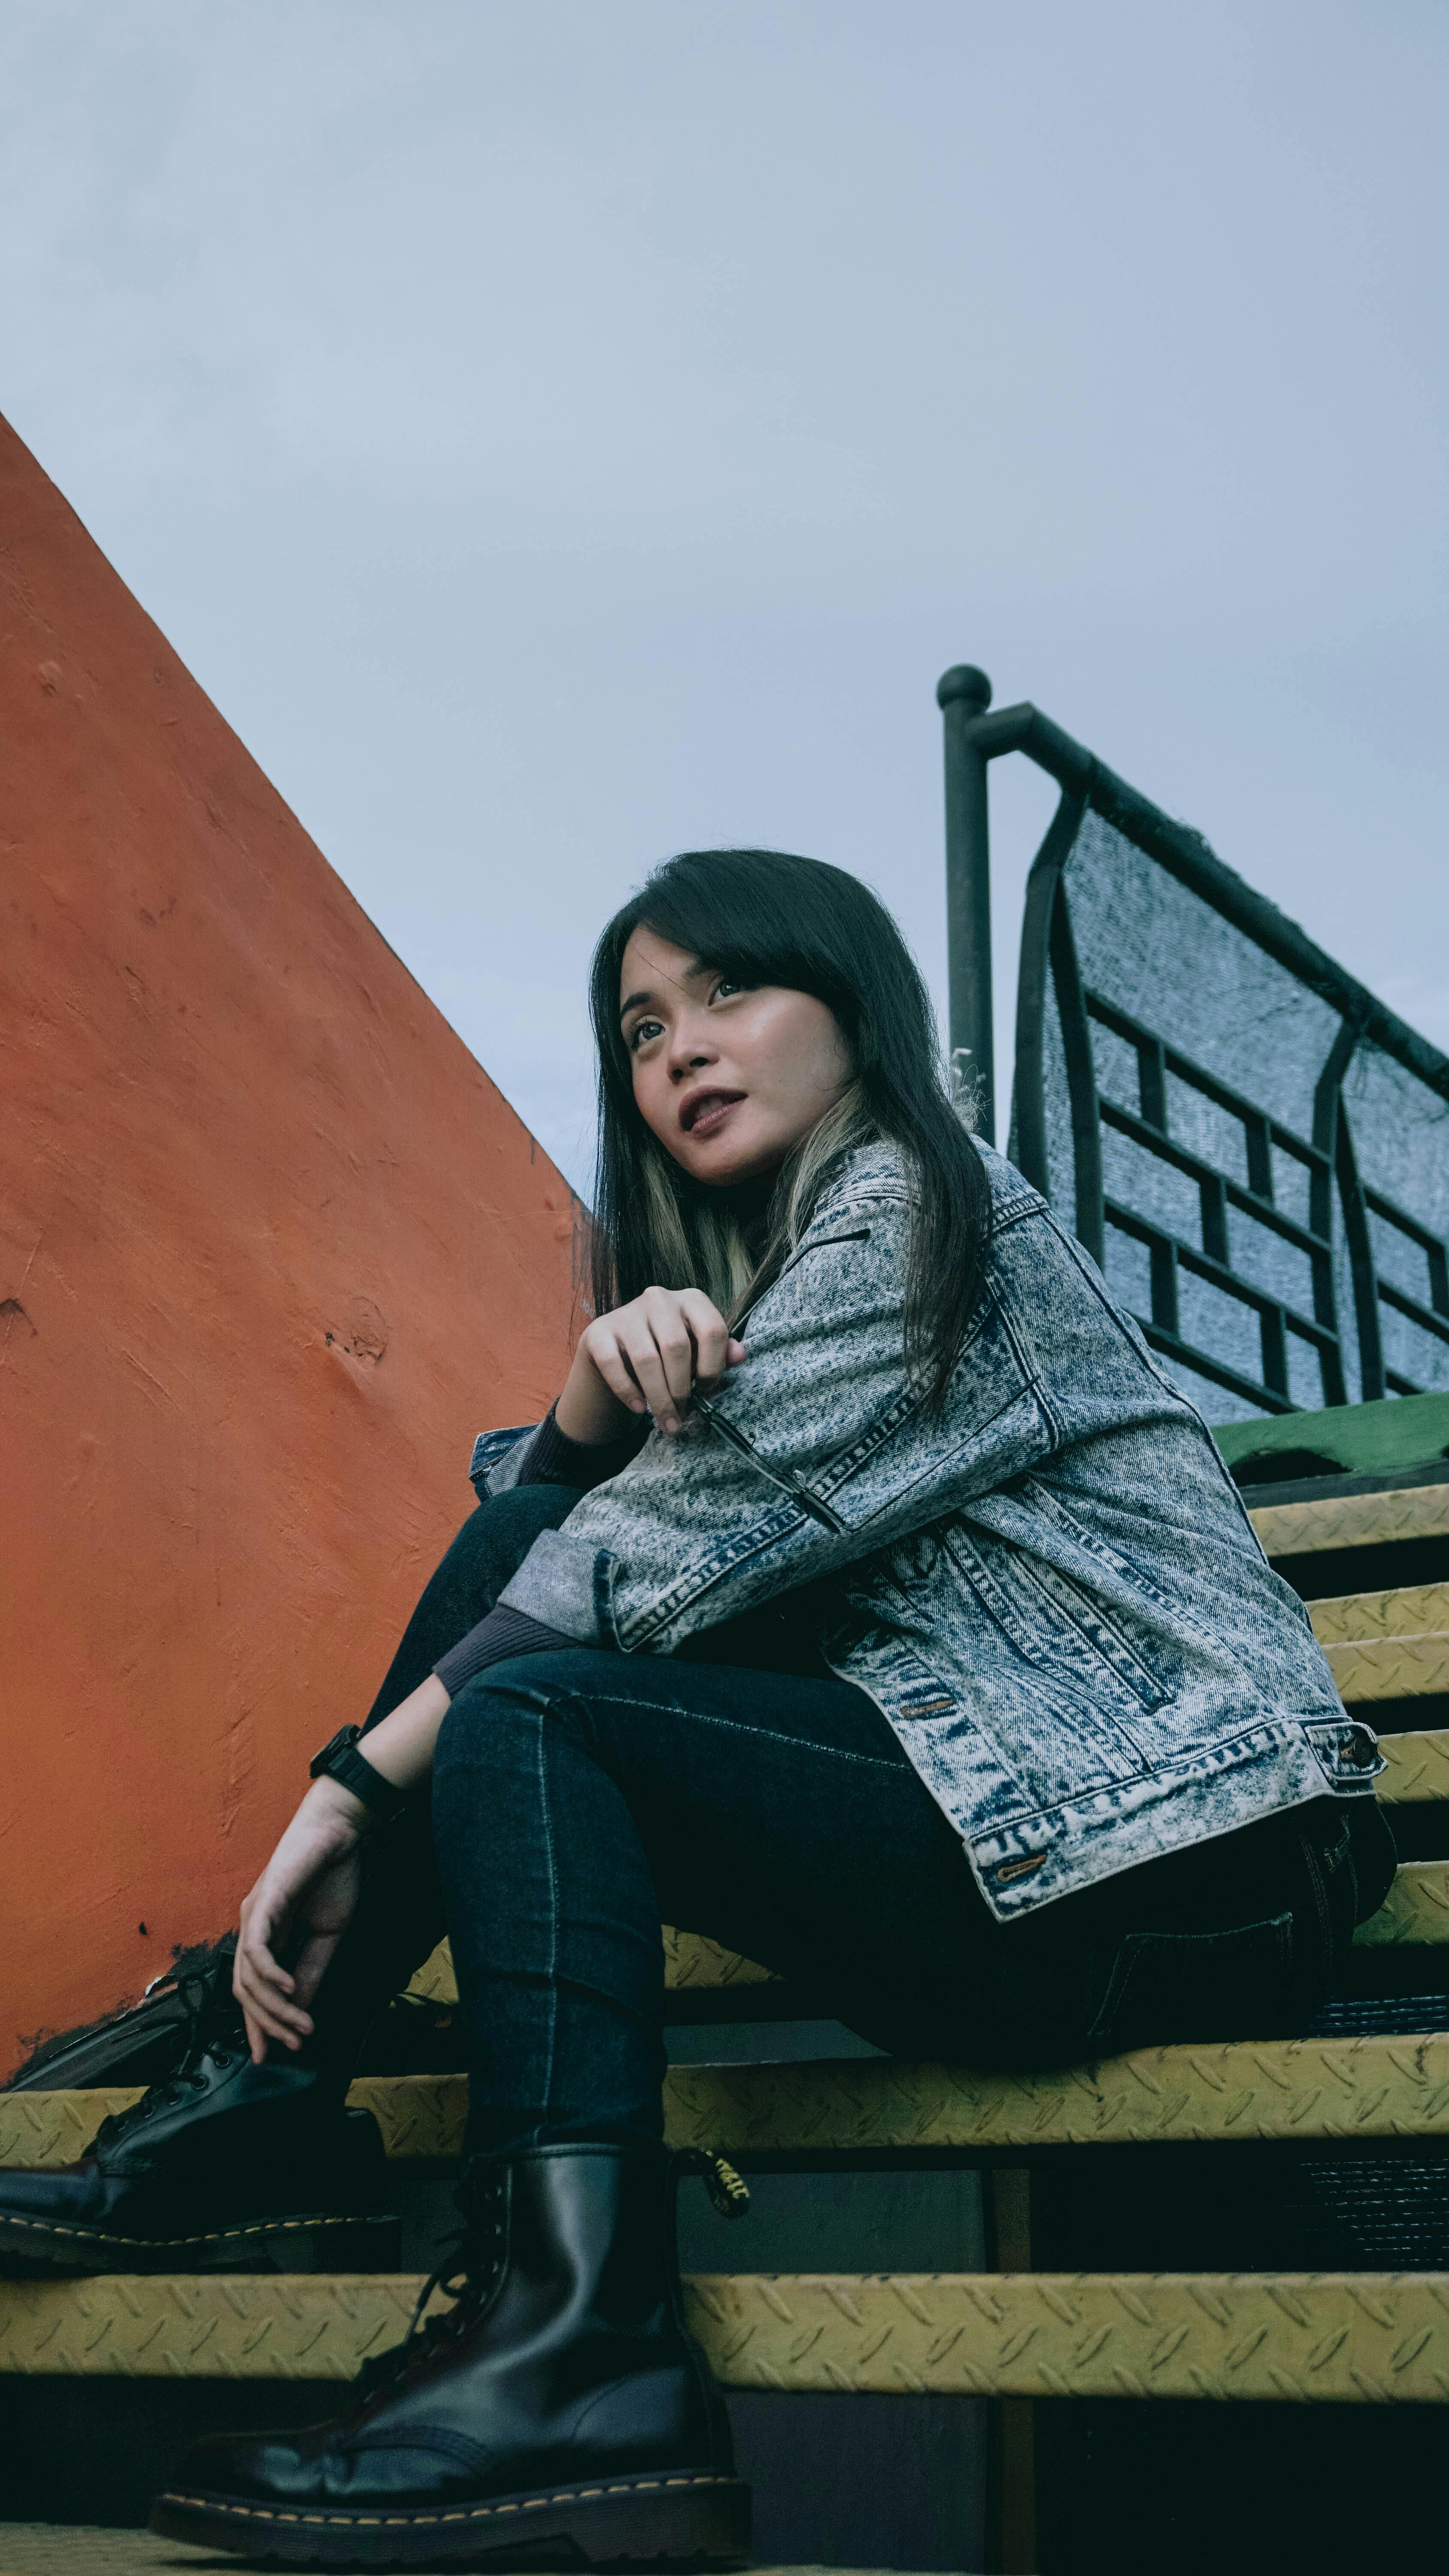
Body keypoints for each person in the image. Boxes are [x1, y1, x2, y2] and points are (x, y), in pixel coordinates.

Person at [2, 849, 1393, 2570]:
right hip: (1016, 1837)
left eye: (732, 990)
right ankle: (323, 2147)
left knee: (535, 1713)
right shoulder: (765, 1286)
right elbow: (576, 1556)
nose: (678, 1048)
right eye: (641, 1025)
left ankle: (503, 2283)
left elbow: (612, 1583)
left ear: (855, 1005)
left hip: (1203, 1854)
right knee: (536, 1647)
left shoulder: (922, 1212)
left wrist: (344, 1792)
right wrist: (586, 1411)